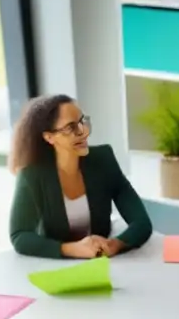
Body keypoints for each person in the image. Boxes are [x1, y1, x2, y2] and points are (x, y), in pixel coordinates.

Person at [8, 94, 152, 259]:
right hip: (55, 268)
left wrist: (114, 245)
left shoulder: (104, 160)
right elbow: (20, 235)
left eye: (82, 122)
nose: (83, 132)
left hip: (106, 263)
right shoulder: (32, 175)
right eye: (70, 127)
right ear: (49, 137)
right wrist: (71, 249)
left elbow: (141, 223)